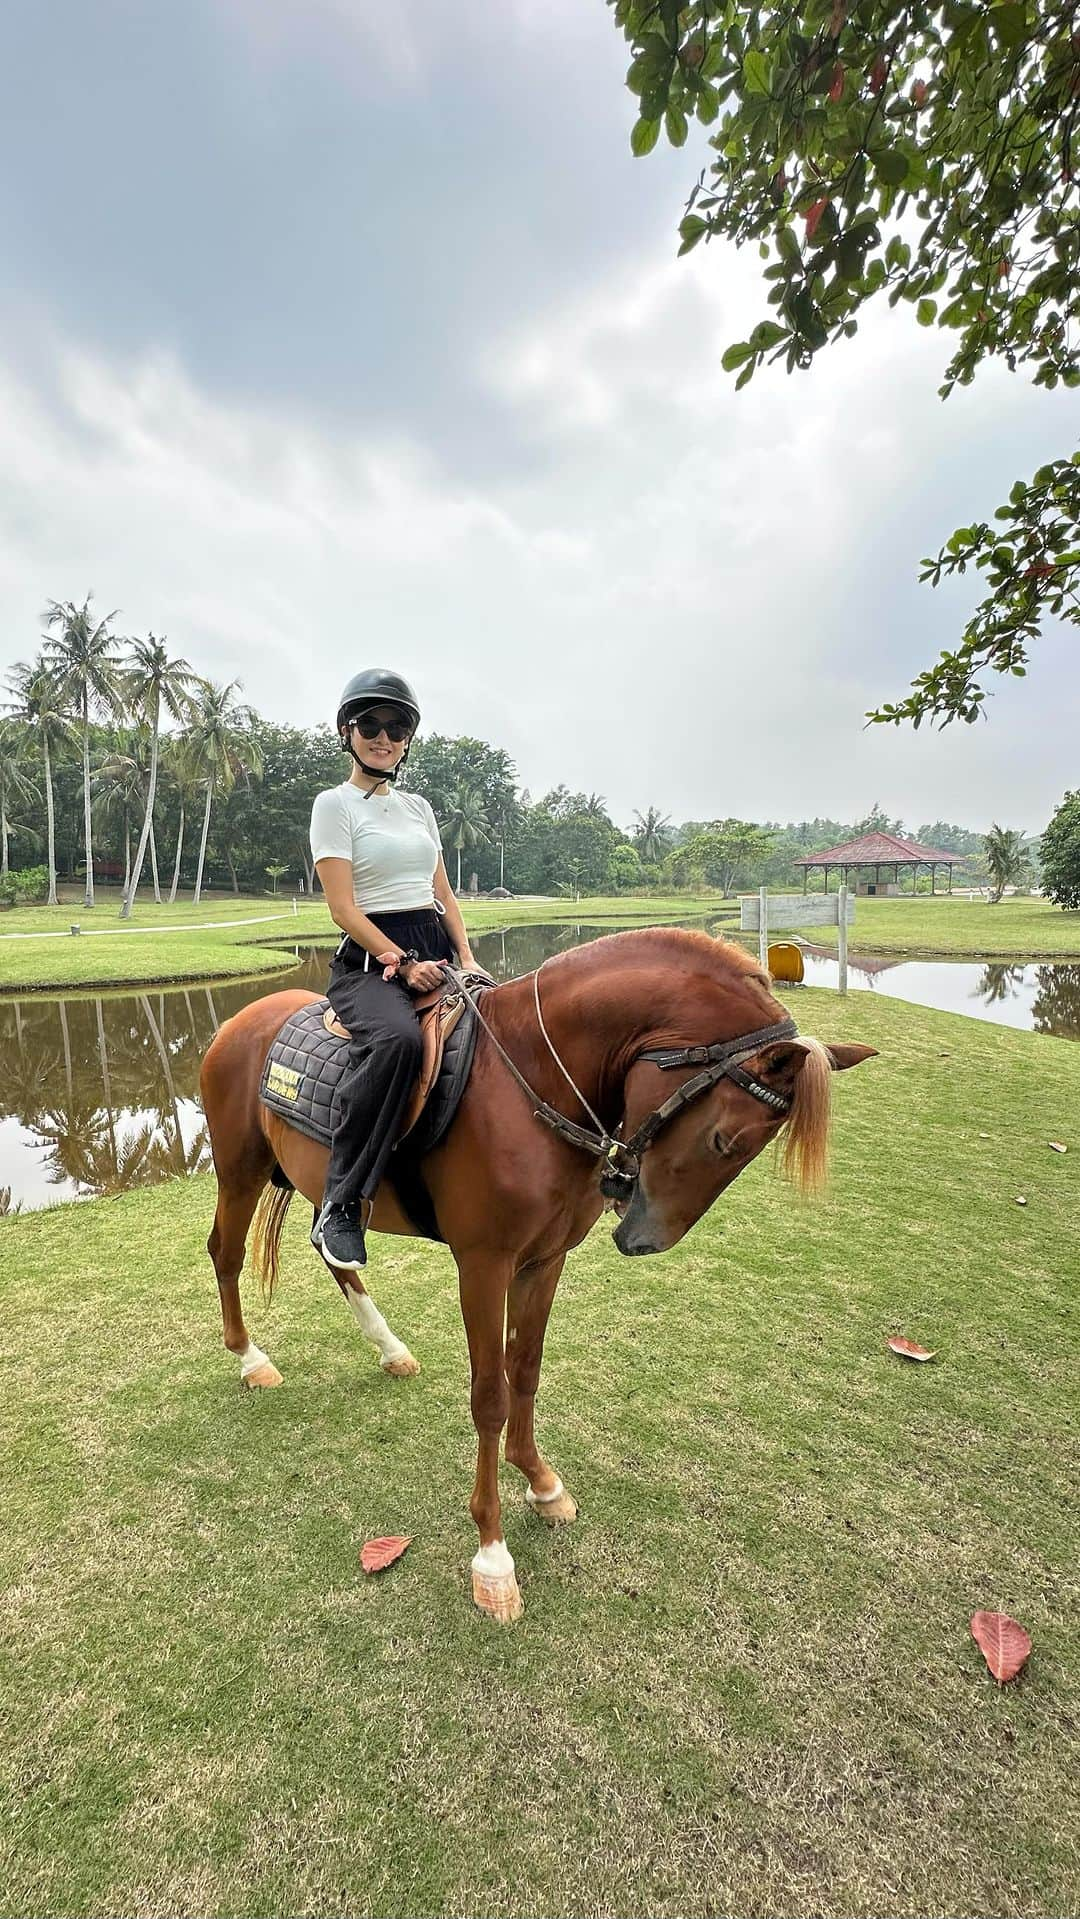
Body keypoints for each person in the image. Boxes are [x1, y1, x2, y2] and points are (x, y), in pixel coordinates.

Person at [309, 668, 478, 1270]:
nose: (384, 736)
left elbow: (445, 896)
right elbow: (342, 907)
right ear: (348, 732)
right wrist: (398, 962)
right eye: (371, 724)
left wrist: (468, 958)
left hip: (434, 946)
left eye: (397, 726)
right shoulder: (334, 806)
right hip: (368, 962)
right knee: (399, 1040)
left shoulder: (419, 808)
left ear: (409, 738)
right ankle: (342, 1202)